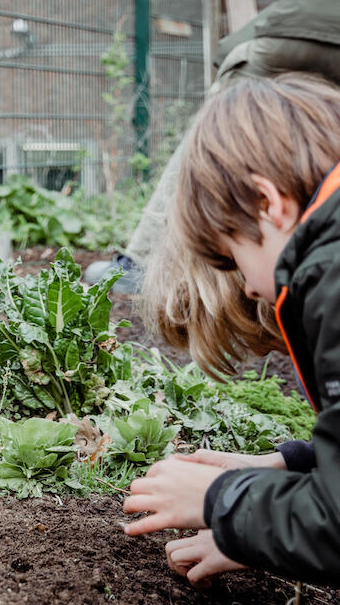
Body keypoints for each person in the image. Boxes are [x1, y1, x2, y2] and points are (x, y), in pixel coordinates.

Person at [122, 73, 340, 586]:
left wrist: (220, 500)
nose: (246, 286)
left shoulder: (332, 278)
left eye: (235, 257)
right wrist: (289, 469)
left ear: (267, 203)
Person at [85, 0, 340, 293]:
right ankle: (146, 265)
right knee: (219, 135)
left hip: (291, 26)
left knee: (215, 133)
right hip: (302, 25)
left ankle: (142, 262)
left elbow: (230, 54)